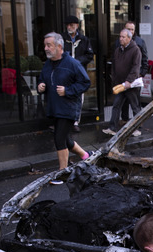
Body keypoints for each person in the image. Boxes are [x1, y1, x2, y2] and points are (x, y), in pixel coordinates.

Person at [37, 33, 91, 169]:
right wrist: (40, 85)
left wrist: (68, 91)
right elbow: (43, 78)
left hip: (68, 107)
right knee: (65, 139)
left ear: (59, 46)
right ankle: (85, 155)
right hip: (54, 107)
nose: (46, 48)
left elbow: (85, 83)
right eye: (45, 45)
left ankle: (63, 172)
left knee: (59, 138)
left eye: (49, 45)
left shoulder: (73, 64)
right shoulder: (48, 65)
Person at [61, 16, 94, 132]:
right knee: (64, 95)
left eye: (72, 25)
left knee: (79, 97)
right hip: (65, 72)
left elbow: (90, 55)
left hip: (79, 72)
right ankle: (63, 121)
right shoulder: (62, 38)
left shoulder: (84, 39)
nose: (69, 27)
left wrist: (77, 61)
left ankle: (75, 121)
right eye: (68, 25)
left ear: (77, 26)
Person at [106, 28, 142, 135]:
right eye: (120, 36)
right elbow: (114, 65)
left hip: (130, 85)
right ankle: (112, 128)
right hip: (120, 83)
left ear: (129, 38)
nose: (120, 39)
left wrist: (129, 81)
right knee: (116, 105)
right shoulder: (118, 50)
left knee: (135, 107)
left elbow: (136, 67)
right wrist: (114, 77)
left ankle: (138, 128)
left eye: (123, 37)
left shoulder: (135, 50)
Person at [119, 21, 149, 134]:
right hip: (124, 77)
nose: (130, 31)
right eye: (128, 29)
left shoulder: (140, 42)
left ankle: (138, 122)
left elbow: (144, 59)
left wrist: (141, 73)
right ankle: (125, 120)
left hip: (135, 78)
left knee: (135, 101)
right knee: (123, 101)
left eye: (132, 29)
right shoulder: (121, 41)